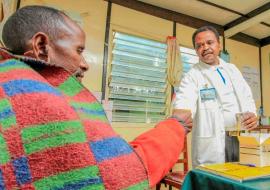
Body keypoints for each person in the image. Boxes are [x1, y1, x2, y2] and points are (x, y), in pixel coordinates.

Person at [0, 5, 192, 189]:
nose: (85, 64)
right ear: (41, 47)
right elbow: (122, 175)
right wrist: (175, 126)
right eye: (79, 50)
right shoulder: (33, 97)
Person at [173, 26, 257, 168]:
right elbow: (184, 101)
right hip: (212, 143)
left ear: (219, 45)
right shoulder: (193, 76)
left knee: (239, 179)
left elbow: (247, 96)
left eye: (209, 42)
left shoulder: (232, 69)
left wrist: (253, 116)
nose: (205, 47)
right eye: (199, 45)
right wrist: (175, 123)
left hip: (240, 137)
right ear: (196, 51)